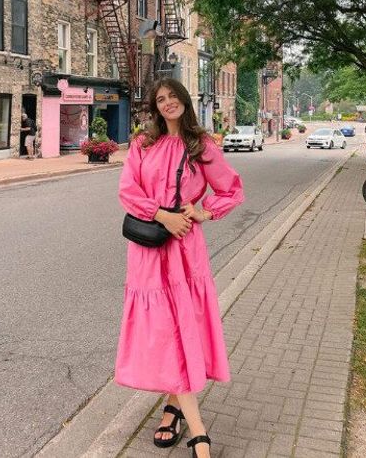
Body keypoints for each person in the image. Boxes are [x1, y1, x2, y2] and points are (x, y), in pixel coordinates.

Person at [116, 78, 245, 458]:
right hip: (150, 246)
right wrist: (161, 215)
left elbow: (232, 189)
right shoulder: (143, 143)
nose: (168, 103)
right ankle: (193, 425)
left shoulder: (201, 145)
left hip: (186, 249)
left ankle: (177, 412)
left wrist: (203, 211)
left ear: (184, 101)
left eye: (173, 96)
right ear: (155, 106)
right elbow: (128, 190)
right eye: (161, 98)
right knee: (164, 328)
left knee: (180, 326)